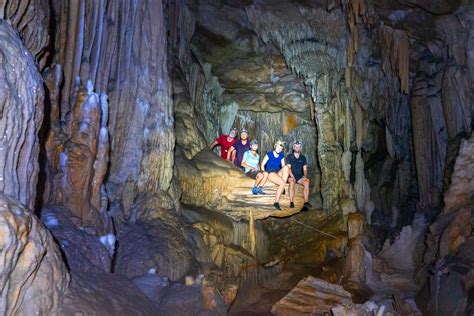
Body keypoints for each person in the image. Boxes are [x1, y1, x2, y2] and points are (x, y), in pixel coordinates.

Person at [261, 140, 290, 210]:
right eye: (278, 146)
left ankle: (282, 186)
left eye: (281, 148)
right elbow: (262, 165)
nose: (279, 148)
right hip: (270, 173)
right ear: (275, 146)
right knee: (282, 183)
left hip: (277, 173)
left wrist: (286, 171)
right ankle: (276, 202)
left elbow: (283, 167)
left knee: (286, 167)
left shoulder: (281, 155)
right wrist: (264, 173)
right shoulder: (269, 154)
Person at [286, 140, 312, 211]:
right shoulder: (289, 157)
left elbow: (305, 169)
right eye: (296, 146)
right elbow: (288, 168)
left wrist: (305, 176)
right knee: (291, 182)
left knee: (307, 181)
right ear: (293, 148)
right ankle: (291, 202)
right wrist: (292, 176)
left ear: (300, 148)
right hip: (291, 175)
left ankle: (306, 202)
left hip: (299, 176)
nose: (297, 148)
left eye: (299, 147)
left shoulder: (303, 158)